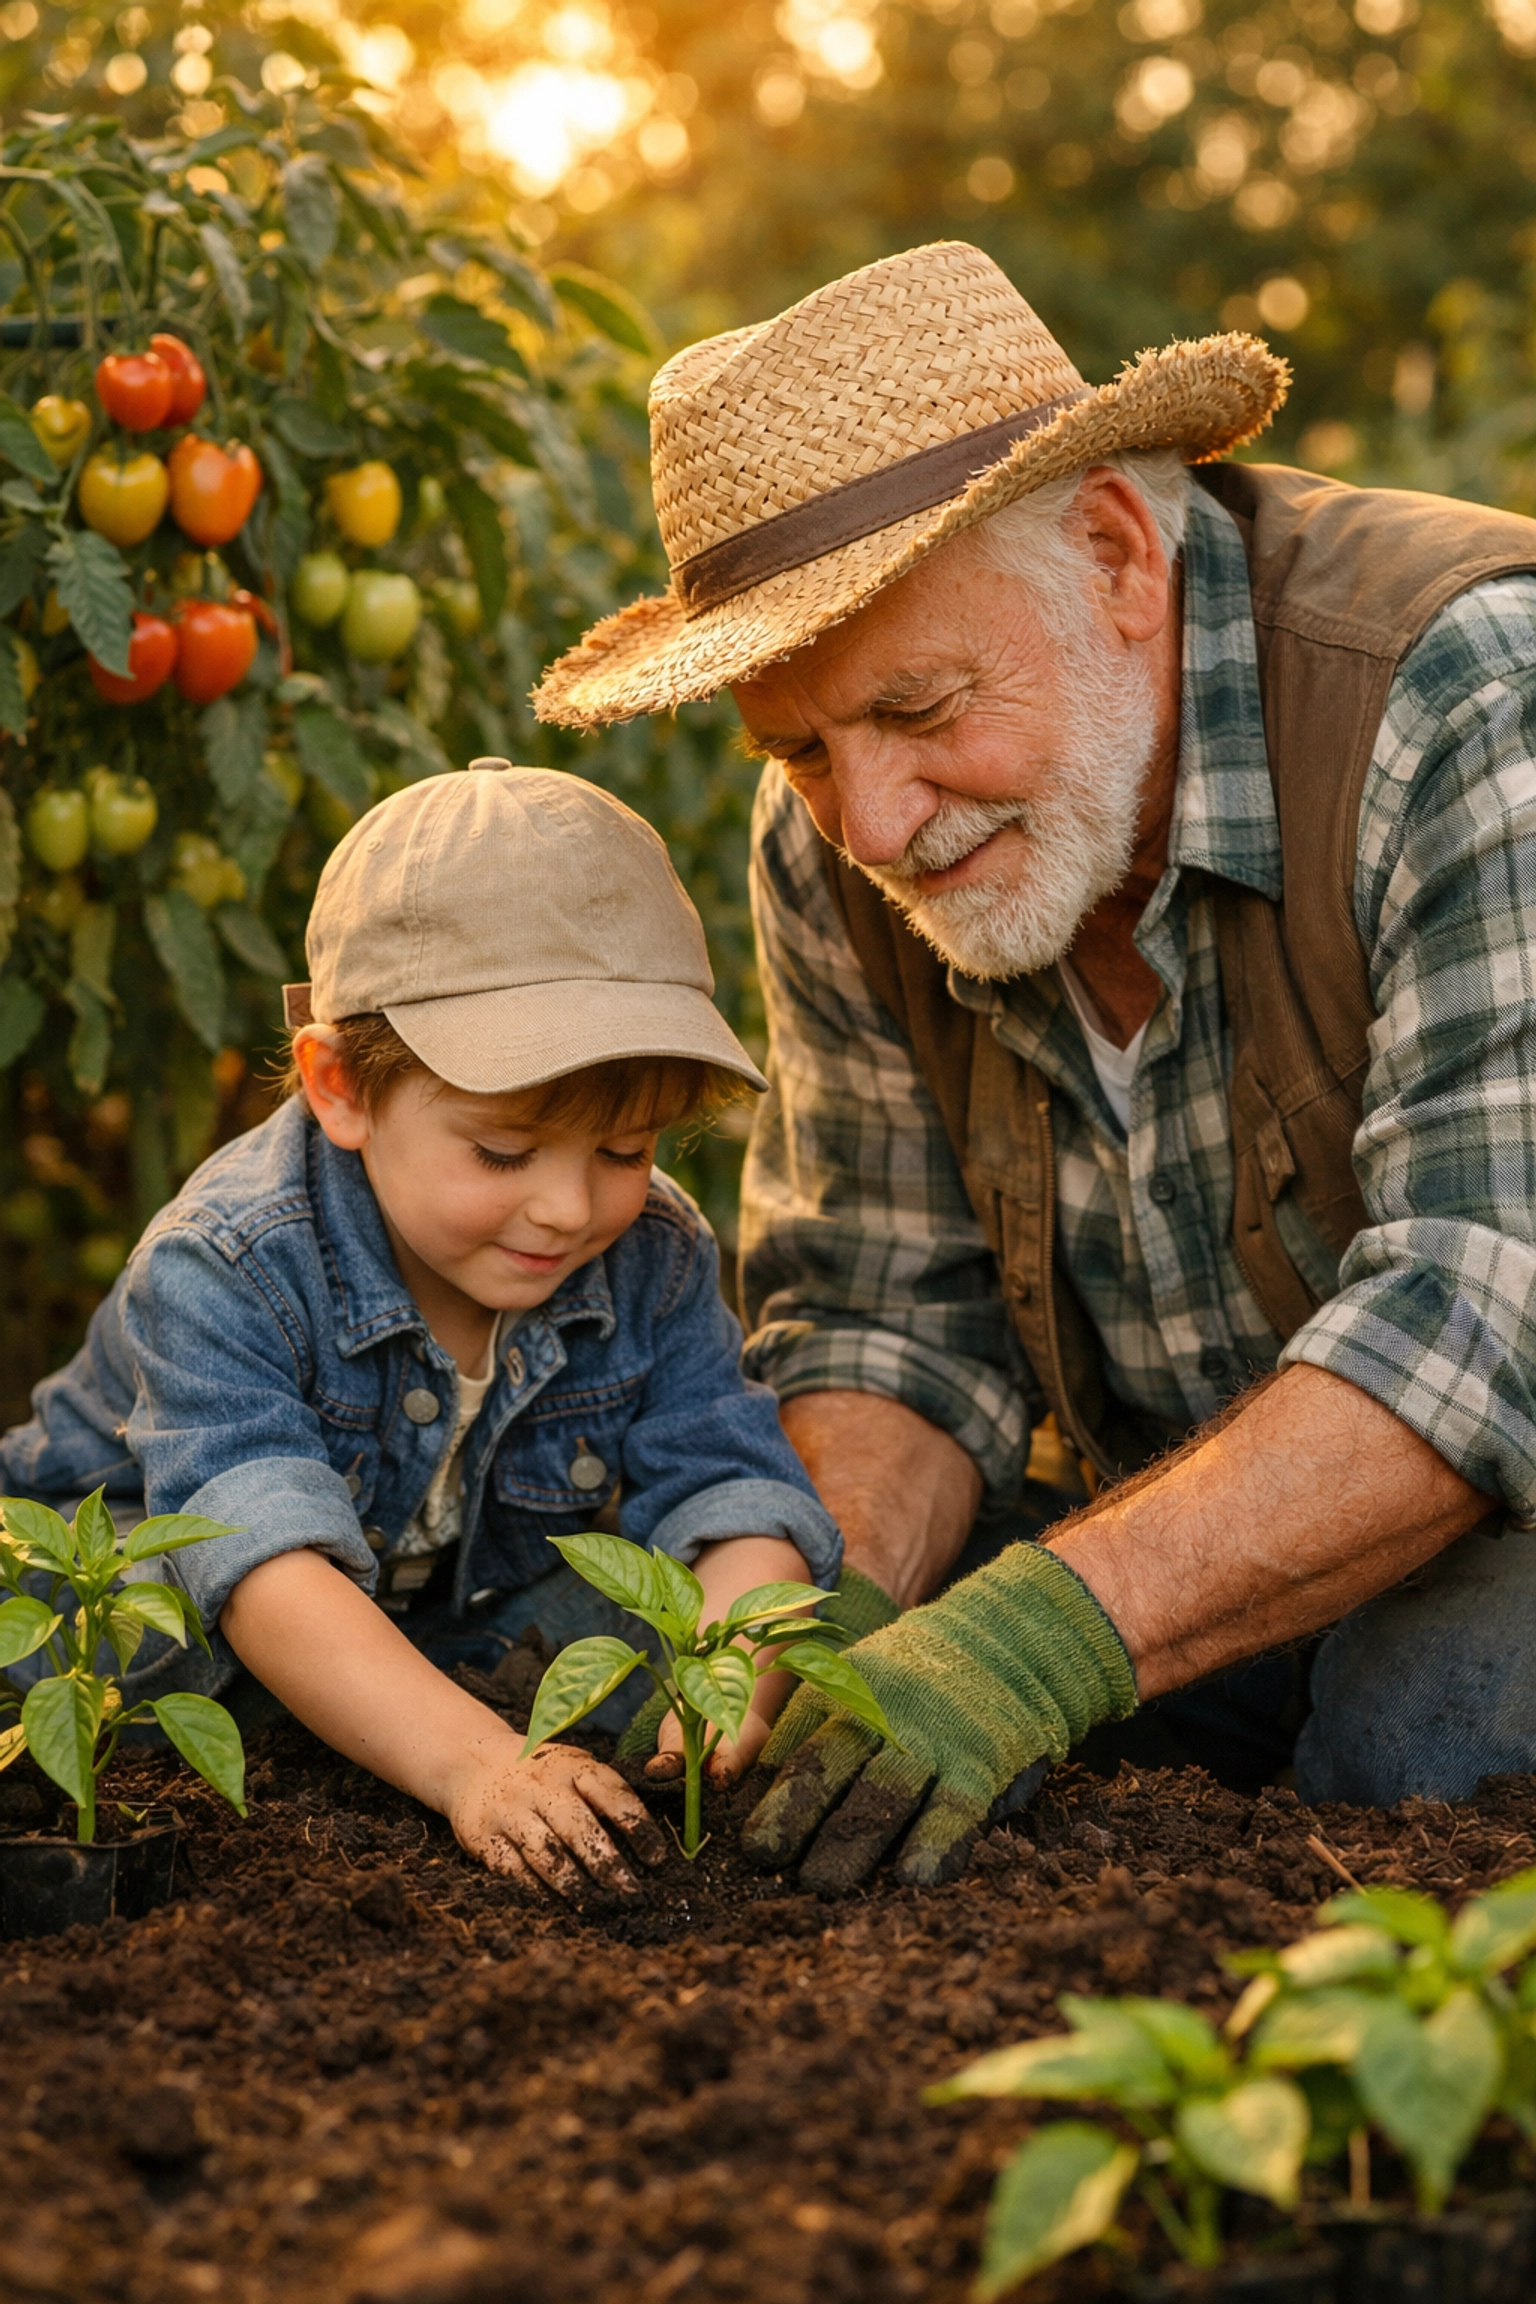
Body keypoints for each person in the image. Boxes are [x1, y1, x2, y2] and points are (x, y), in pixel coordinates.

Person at [534, 239, 1536, 1894]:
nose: (874, 821)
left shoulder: (1461, 692)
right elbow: (882, 1305)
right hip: (1227, 1504)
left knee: (1422, 1741)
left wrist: (1037, 1639)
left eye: (920, 704)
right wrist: (825, 1610)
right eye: (795, 747)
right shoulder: (844, 847)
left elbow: (1491, 1299)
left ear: (1115, 554)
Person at [0, 765, 840, 1899]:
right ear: (341, 1086)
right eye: (503, 1152)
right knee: (136, 1661)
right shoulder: (225, 1262)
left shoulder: (655, 1253)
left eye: (626, 1150)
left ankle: (396, 1722)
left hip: (435, 1616)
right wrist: (476, 1764)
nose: (566, 1207)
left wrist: (725, 1686)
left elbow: (732, 1488)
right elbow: (260, 1569)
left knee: (630, 1622)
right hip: (159, 1616)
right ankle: (375, 1737)